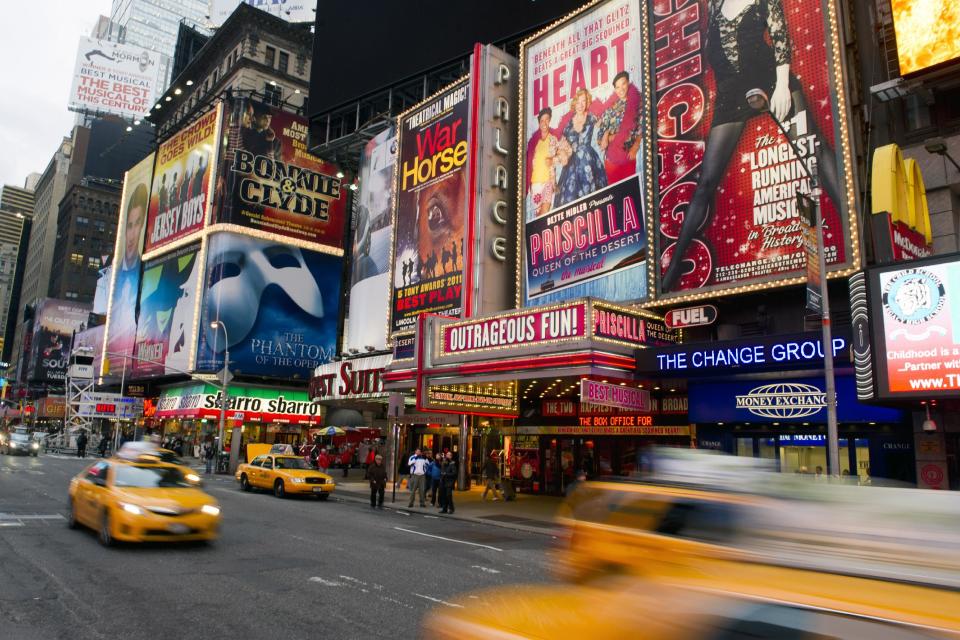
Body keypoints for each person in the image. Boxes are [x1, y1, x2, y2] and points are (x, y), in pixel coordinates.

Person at [660, 0, 842, 292]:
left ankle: (851, 226)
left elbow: (781, 39)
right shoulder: (714, 5)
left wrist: (782, 85)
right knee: (706, 182)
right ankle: (669, 276)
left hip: (770, 79)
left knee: (814, 150)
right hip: (730, 94)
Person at [556, 88, 607, 206]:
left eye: (583, 101)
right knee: (571, 201)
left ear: (587, 102)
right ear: (574, 103)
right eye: (578, 102)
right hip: (572, 166)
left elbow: (605, 126)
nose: (580, 105)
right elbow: (562, 146)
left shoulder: (591, 117)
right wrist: (561, 152)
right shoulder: (568, 125)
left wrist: (605, 136)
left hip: (589, 161)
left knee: (594, 199)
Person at [596, 71, 642, 184]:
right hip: (611, 159)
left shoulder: (637, 103)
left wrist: (635, 146)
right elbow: (600, 138)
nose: (621, 89)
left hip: (628, 156)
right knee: (614, 193)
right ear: (615, 89)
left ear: (628, 83)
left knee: (630, 191)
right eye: (617, 87)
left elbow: (641, 127)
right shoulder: (610, 108)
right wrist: (607, 135)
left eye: (623, 84)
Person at [528, 107, 561, 217]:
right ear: (539, 122)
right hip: (535, 184)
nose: (544, 123)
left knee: (545, 210)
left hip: (548, 181)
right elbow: (527, 164)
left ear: (550, 120)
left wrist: (553, 160)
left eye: (547, 119)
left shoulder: (554, 139)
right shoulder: (533, 142)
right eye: (542, 120)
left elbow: (564, 155)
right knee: (539, 215)